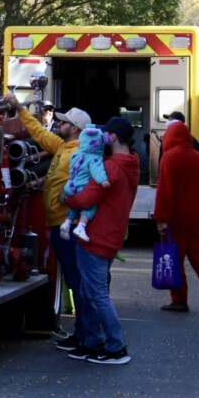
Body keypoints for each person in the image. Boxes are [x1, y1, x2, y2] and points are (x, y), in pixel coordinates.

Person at [3, 93, 92, 349]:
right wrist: (20, 109)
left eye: (64, 122)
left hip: (69, 227)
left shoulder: (78, 154)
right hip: (60, 225)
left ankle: (85, 335)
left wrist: (69, 196)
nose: (59, 125)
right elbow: (40, 134)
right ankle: (83, 333)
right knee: (76, 282)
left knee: (77, 281)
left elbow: (86, 186)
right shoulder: (66, 147)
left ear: (74, 129)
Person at [63, 117, 139, 364]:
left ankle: (116, 346)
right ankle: (92, 341)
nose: (102, 137)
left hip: (96, 236)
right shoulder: (131, 163)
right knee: (89, 292)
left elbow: (85, 199)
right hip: (112, 235)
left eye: (105, 133)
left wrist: (66, 198)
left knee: (96, 294)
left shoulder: (111, 168)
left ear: (113, 137)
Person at [153, 120, 199, 314]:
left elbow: (165, 192)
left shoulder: (169, 158)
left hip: (176, 219)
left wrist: (161, 218)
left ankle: (179, 300)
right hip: (198, 218)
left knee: (173, 258)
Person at [59, 126, 109, 242]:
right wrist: (103, 180)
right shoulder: (94, 158)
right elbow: (97, 171)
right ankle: (81, 226)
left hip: (70, 187)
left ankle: (67, 223)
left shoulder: (75, 154)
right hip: (82, 187)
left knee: (74, 206)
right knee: (90, 206)